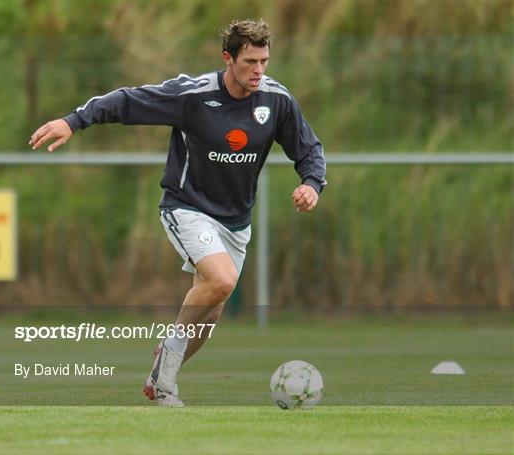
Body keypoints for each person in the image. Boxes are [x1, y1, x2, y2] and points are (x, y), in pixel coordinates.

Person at [29, 18, 327, 406]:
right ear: (227, 58)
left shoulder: (276, 101)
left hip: (235, 221)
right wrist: (73, 120)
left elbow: (309, 149)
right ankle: (165, 380)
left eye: (264, 61)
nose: (259, 71)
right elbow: (128, 101)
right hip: (186, 206)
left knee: (210, 315)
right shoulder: (193, 95)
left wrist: (311, 183)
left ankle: (158, 377)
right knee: (221, 280)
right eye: (250, 61)